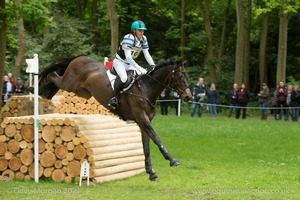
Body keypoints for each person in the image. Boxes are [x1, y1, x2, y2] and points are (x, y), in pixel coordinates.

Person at [108, 20, 155, 109]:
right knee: (124, 78)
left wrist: (153, 65)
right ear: (134, 30)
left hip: (130, 63)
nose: (142, 32)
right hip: (120, 62)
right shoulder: (128, 38)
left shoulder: (144, 39)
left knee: (141, 77)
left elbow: (146, 53)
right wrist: (139, 67)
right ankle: (113, 98)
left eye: (143, 30)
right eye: (140, 30)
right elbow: (128, 57)